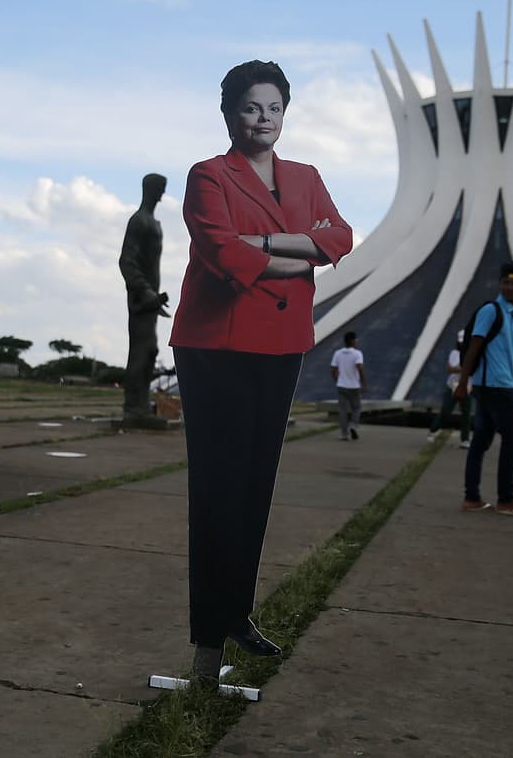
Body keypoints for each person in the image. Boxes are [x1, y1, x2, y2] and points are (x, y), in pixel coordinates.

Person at [170, 60, 353, 681]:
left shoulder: (305, 176)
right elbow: (221, 252)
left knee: (255, 487)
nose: (263, 120)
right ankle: (206, 643)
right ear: (229, 112)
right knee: (217, 489)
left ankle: (237, 615)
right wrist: (300, 250)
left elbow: (341, 238)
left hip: (280, 343)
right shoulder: (208, 175)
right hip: (216, 345)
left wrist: (267, 245)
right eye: (252, 108)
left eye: (274, 109)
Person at [455, 262, 513, 516]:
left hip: (502, 384)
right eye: (506, 282)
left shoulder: (511, 316)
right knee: (512, 438)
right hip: (493, 386)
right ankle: (506, 499)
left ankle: (472, 498)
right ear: (500, 284)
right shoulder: (491, 311)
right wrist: (463, 383)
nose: (511, 287)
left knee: (481, 440)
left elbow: (512, 359)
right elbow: (474, 346)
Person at [119, 173, 171, 420]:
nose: (162, 193)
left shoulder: (153, 223)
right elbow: (126, 262)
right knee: (142, 351)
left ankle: (139, 404)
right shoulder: (138, 221)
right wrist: (145, 290)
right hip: (141, 300)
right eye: (159, 188)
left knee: (149, 351)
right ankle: (133, 407)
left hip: (150, 301)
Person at [428, 329, 472, 448]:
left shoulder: (473, 353)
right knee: (446, 410)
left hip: (468, 386)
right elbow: (449, 369)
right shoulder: (454, 353)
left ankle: (465, 439)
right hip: (453, 385)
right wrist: (463, 369)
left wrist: (462, 369)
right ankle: (433, 431)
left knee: (466, 414)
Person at [330, 331, 366, 441]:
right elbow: (359, 367)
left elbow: (333, 369)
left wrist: (337, 380)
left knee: (343, 410)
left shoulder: (338, 353)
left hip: (341, 386)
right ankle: (353, 425)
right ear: (352, 341)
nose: (357, 341)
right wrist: (364, 383)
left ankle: (344, 434)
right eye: (356, 339)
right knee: (357, 407)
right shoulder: (357, 354)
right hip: (354, 386)